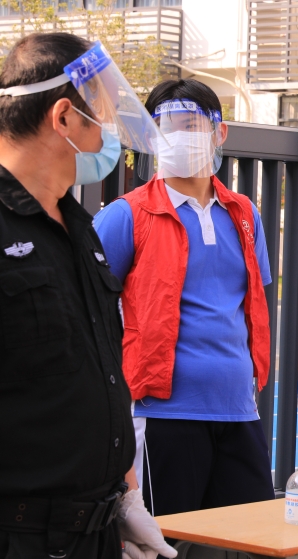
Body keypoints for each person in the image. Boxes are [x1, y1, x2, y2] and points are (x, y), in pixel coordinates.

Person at [0, 33, 175, 559]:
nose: (109, 131)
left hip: (95, 530)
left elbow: (101, 372)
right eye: (101, 112)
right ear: (63, 118)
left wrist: (125, 498)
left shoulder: (81, 228)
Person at [93, 79, 275, 516]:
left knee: (250, 539)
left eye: (190, 124)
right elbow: (89, 311)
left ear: (219, 132)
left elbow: (251, 303)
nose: (177, 135)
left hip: (239, 409)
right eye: (164, 126)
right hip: (161, 413)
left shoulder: (244, 213)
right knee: (165, 539)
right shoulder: (125, 215)